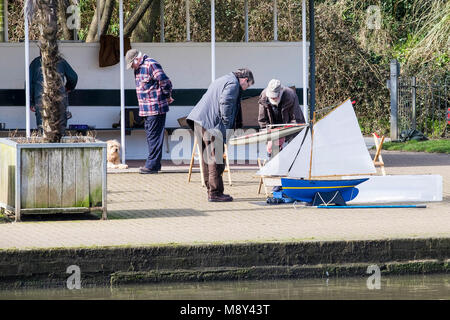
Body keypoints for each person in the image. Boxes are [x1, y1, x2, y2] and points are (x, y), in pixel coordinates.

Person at [187, 68, 254, 202]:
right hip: (212, 124)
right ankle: (215, 192)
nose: (246, 88)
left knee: (207, 158)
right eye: (248, 85)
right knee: (215, 159)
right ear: (245, 80)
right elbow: (226, 103)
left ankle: (210, 190)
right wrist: (226, 124)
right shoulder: (233, 84)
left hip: (199, 120)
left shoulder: (222, 79)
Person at [126, 49, 173, 174]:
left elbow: (165, 81)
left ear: (137, 59)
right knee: (151, 137)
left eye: (132, 64)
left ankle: (151, 165)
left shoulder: (151, 64)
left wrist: (167, 96)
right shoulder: (138, 68)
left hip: (155, 107)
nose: (132, 67)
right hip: (145, 109)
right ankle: (155, 164)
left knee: (154, 137)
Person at [29, 53, 78, 132]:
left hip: (41, 97)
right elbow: (73, 77)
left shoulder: (35, 62)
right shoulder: (61, 61)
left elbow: (28, 83)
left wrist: (31, 101)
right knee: (59, 128)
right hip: (59, 96)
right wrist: (67, 88)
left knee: (43, 127)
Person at [258, 79, 305, 157]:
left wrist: (283, 134)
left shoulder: (290, 95)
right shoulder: (264, 96)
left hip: (291, 128)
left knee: (294, 153)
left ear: (280, 92)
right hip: (273, 129)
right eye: (271, 97)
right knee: (271, 151)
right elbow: (262, 120)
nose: (272, 99)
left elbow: (296, 120)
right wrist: (269, 137)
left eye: (274, 97)